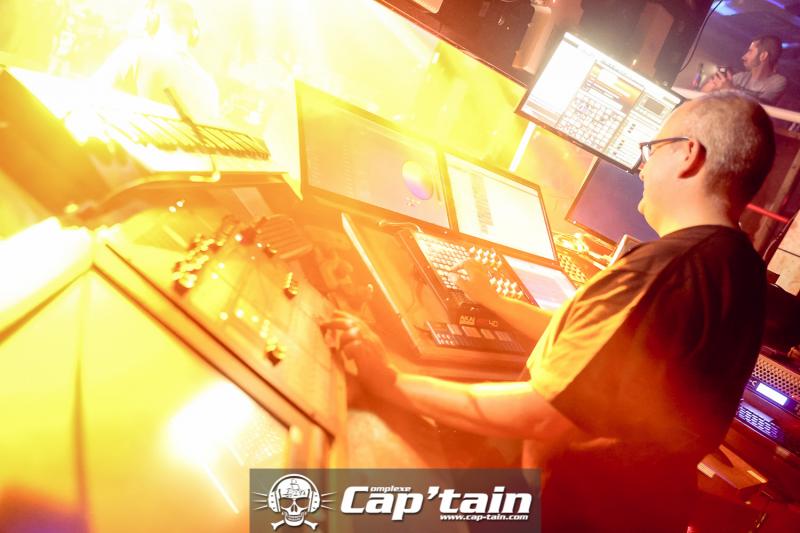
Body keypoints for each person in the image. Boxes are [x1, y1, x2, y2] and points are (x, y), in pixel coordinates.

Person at [322, 93, 775, 532]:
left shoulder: (667, 270)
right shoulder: (738, 269)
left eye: (651, 149)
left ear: (688, 154)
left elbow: (541, 414)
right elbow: (602, 352)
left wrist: (392, 382)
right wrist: (494, 300)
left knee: (346, 492)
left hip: (567, 513)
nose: (642, 166)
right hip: (641, 512)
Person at [93, 0, 219, 122]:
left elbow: (91, 100)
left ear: (151, 21)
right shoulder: (209, 86)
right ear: (195, 30)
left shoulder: (134, 53)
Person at [701, 35, 786, 106]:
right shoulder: (740, 77)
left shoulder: (777, 82)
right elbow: (705, 94)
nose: (743, 57)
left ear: (763, 56)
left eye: (750, 51)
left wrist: (730, 90)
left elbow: (760, 108)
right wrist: (711, 88)